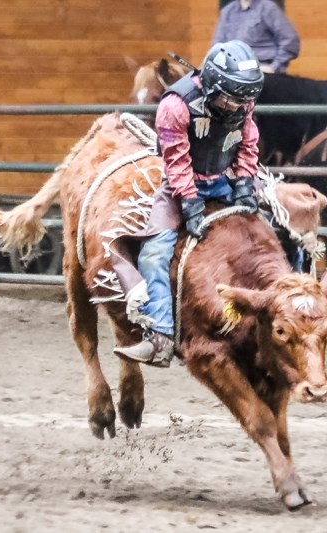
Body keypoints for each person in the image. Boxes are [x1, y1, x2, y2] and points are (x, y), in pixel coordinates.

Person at [113, 40, 264, 366]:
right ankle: (161, 338)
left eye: (245, 99)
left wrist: (245, 183)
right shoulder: (175, 106)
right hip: (183, 184)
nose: (239, 106)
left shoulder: (241, 100)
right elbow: (176, 161)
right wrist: (191, 203)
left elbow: (247, 142)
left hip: (225, 177)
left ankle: (286, 316)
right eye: (233, 98)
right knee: (154, 254)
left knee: (278, 227)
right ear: (212, 85)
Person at [211, 0, 300, 74]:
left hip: (262, 72)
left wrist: (274, 67)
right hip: (234, 73)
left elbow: (290, 40)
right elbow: (217, 48)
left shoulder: (268, 8)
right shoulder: (227, 12)